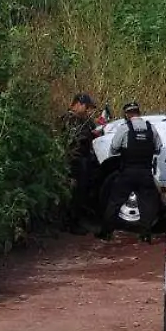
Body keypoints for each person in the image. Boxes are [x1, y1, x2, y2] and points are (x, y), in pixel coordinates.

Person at [97, 101, 163, 241]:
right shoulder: (151, 128)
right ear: (139, 112)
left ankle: (106, 233)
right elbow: (158, 148)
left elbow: (114, 148)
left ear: (127, 114)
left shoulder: (124, 128)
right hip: (145, 172)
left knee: (114, 201)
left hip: (127, 172)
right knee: (147, 204)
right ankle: (145, 235)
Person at [61, 94, 103, 233]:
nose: (88, 111)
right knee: (74, 193)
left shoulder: (84, 120)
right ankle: (70, 223)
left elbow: (93, 129)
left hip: (84, 160)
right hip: (73, 160)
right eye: (87, 107)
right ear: (78, 104)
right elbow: (73, 138)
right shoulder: (69, 118)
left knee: (82, 192)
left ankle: (78, 220)